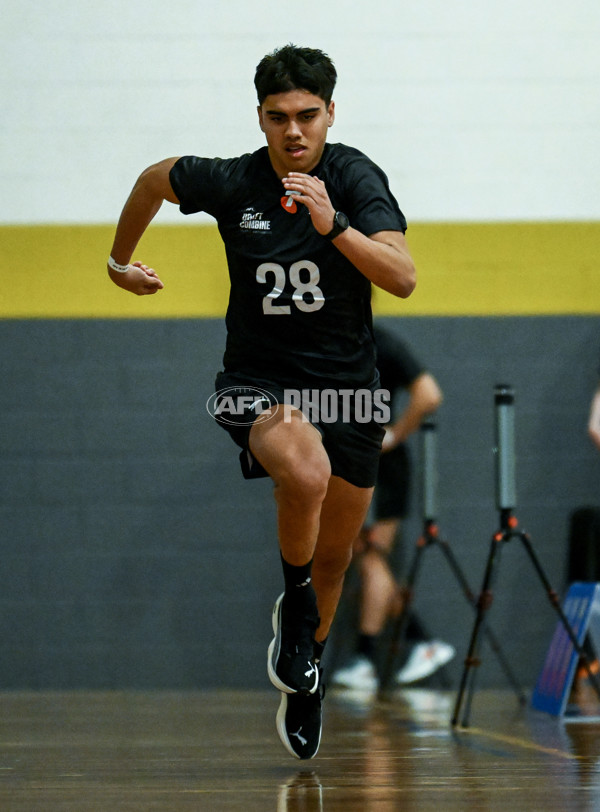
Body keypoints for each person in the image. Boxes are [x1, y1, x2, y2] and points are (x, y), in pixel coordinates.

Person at [105, 44, 416, 760]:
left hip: (350, 392)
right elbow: (155, 179)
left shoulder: (353, 176)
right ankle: (296, 606)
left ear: (331, 114)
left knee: (338, 555)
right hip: (258, 383)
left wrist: (335, 225)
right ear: (261, 119)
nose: (294, 132)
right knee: (302, 472)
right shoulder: (231, 180)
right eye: (278, 118)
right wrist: (119, 262)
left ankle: (307, 673)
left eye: (308, 116)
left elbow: (401, 278)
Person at [331, 325, 454, 692]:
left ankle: (367, 659)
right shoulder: (330, 340)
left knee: (371, 555)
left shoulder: (378, 341)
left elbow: (429, 394)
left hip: (381, 466)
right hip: (349, 458)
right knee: (362, 554)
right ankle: (420, 641)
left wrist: (396, 433)